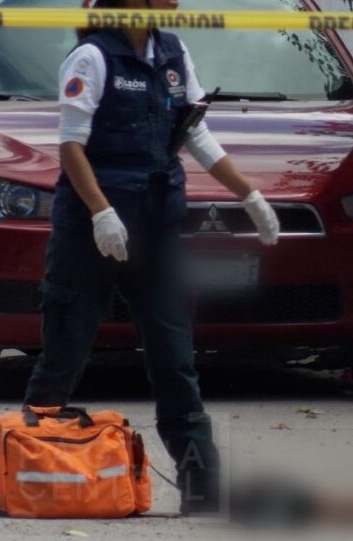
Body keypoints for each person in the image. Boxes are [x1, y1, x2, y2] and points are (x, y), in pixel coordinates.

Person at [22, 0, 281, 514]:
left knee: (174, 356)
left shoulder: (172, 50)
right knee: (64, 352)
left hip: (157, 226)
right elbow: (71, 146)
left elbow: (195, 134)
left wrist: (250, 196)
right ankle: (28, 472)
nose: (174, 2)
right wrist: (101, 213)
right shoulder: (92, 58)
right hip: (90, 229)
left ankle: (202, 486)